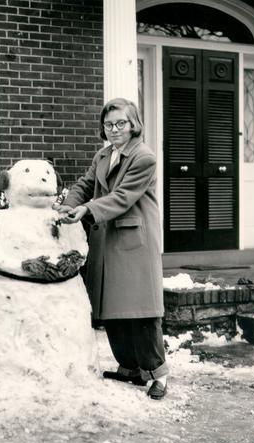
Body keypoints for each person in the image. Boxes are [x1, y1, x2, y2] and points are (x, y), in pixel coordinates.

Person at [53, 97, 168, 400]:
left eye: (121, 123)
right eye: (108, 124)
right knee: (112, 306)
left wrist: (86, 210)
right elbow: (84, 184)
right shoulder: (104, 155)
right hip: (108, 237)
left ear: (133, 125)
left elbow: (122, 197)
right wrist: (67, 205)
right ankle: (129, 367)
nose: (114, 129)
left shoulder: (143, 157)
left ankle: (158, 374)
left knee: (141, 310)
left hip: (134, 240)